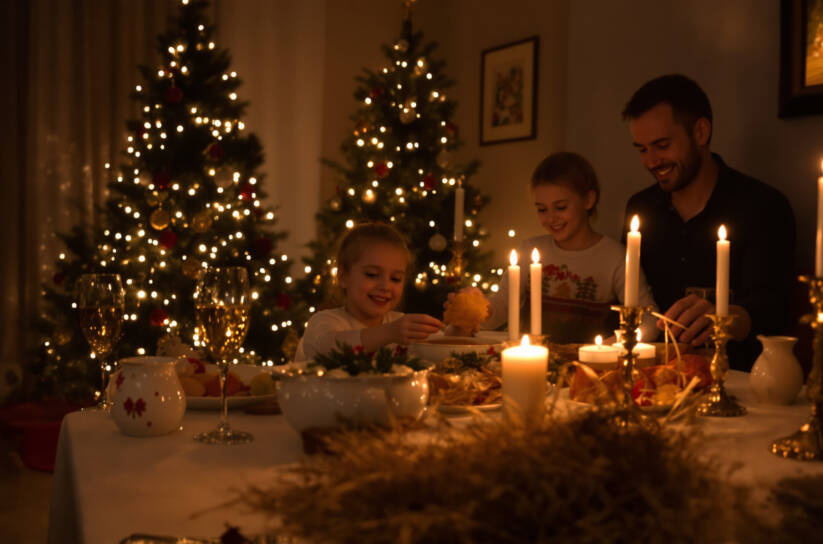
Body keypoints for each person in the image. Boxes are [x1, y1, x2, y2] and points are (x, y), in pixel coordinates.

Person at [621, 74, 796, 370]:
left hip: (741, 381)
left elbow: (774, 308)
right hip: (653, 378)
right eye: (641, 149)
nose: (650, 162)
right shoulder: (640, 209)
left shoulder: (763, 206)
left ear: (700, 132)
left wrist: (726, 319)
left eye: (662, 145)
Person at [457, 152, 658, 343]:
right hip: (534, 363)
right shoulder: (530, 250)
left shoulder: (615, 257)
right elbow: (502, 306)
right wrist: (480, 309)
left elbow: (650, 320)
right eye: (542, 209)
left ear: (589, 200)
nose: (551, 218)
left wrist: (614, 344)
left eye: (561, 207)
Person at [295, 222, 442, 362]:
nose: (385, 286)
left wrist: (458, 329)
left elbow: (441, 348)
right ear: (343, 277)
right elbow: (328, 350)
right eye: (371, 274)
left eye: (395, 279)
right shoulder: (324, 322)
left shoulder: (399, 324)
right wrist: (389, 333)